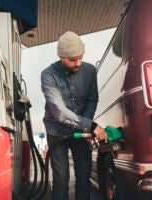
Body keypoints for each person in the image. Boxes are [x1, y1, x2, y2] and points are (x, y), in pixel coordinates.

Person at [41, 31, 108, 200]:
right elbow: (59, 111)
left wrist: (85, 128)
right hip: (57, 132)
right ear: (61, 56)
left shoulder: (90, 71)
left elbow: (92, 99)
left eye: (80, 57)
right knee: (61, 179)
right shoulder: (48, 75)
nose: (77, 62)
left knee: (84, 177)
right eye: (72, 59)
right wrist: (91, 126)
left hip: (81, 134)